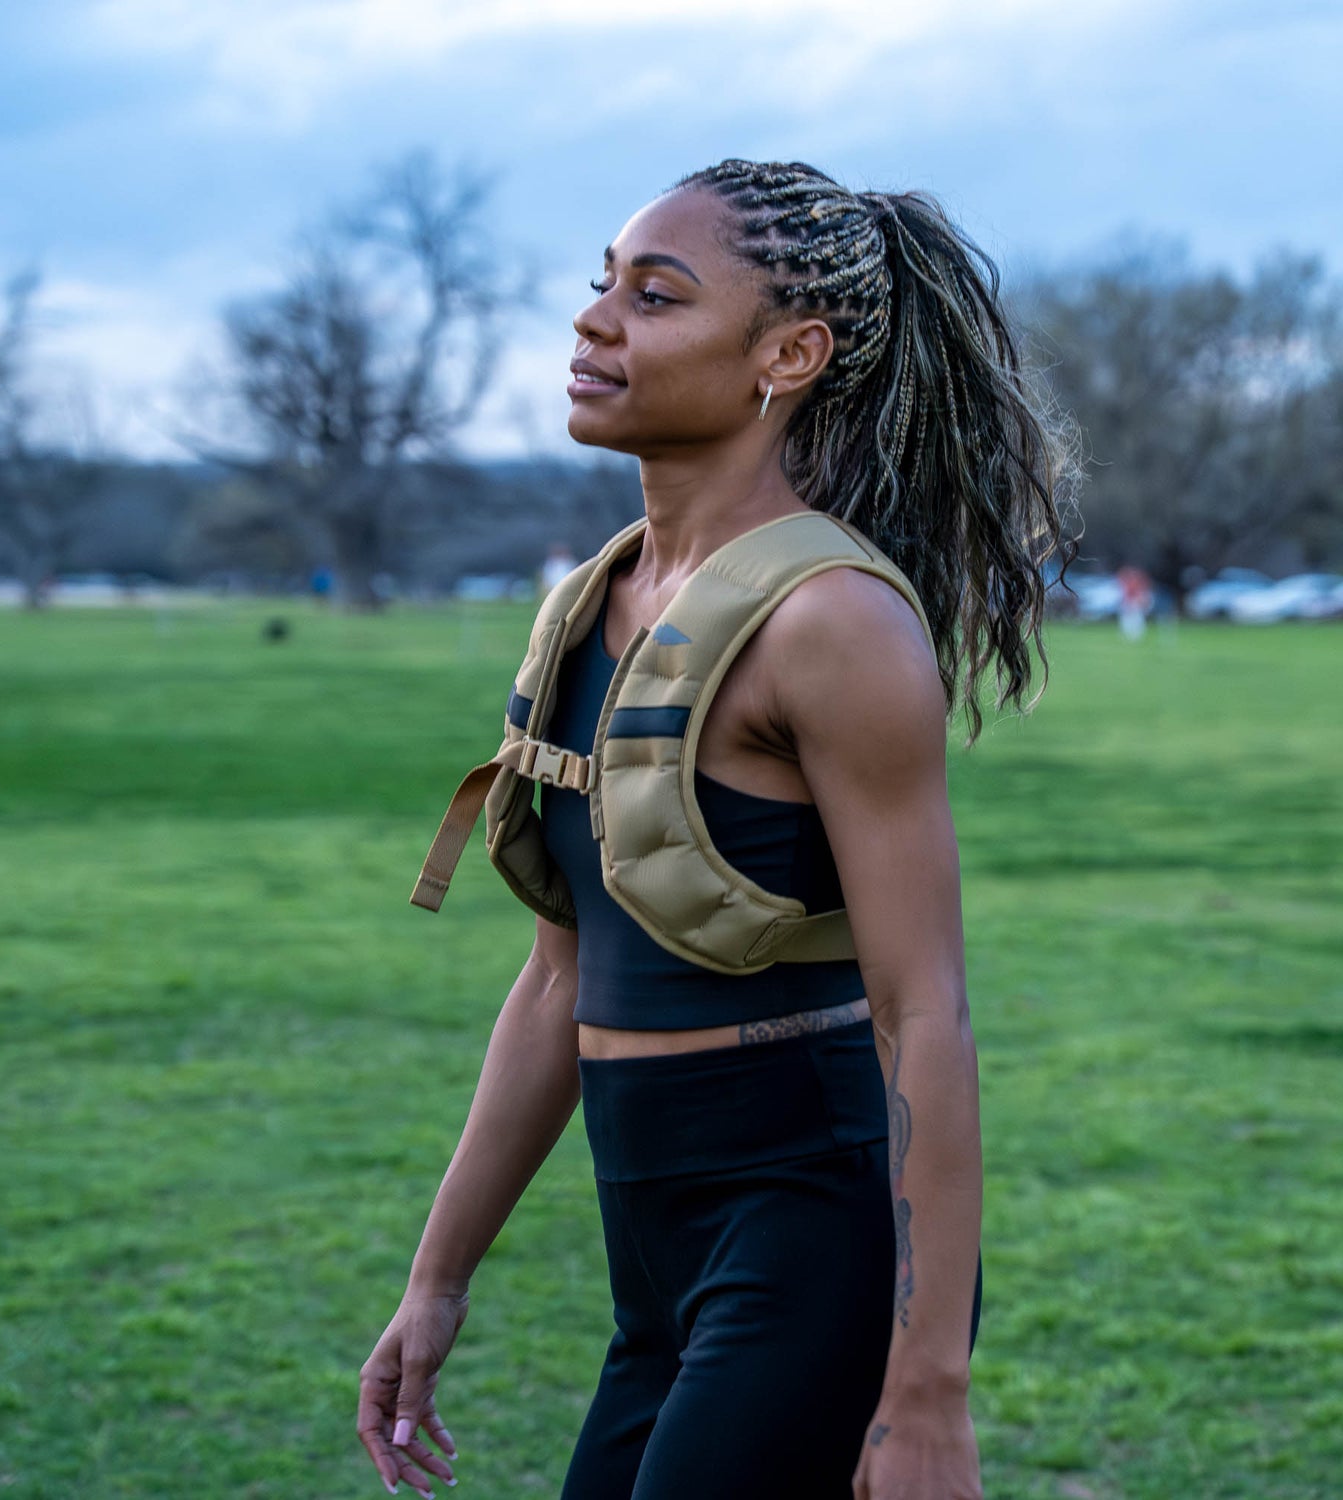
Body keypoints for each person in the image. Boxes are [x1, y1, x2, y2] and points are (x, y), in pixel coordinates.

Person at [357, 159, 1070, 1500]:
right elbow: (558, 977)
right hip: (654, 1253)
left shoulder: (833, 622)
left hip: (815, 1234)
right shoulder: (588, 605)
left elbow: (925, 1009)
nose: (595, 322)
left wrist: (926, 1398)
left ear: (788, 355)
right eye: (601, 287)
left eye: (656, 294)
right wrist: (436, 1281)